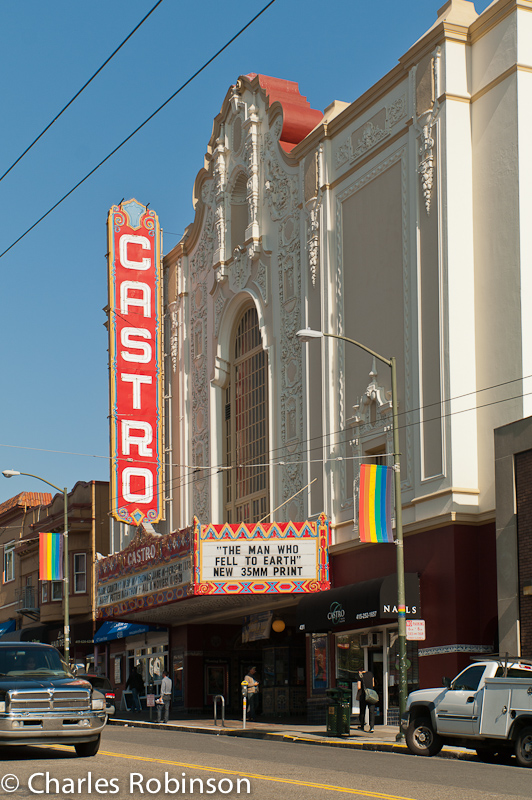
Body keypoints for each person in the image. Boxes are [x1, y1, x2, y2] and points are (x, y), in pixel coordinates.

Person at [357, 668, 376, 733]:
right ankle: (372, 727)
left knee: (362, 711)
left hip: (364, 695)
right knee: (371, 711)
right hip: (371, 695)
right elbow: (373, 684)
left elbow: (359, 687)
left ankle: (362, 725)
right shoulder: (371, 674)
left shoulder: (360, 676)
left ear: (360, 671)